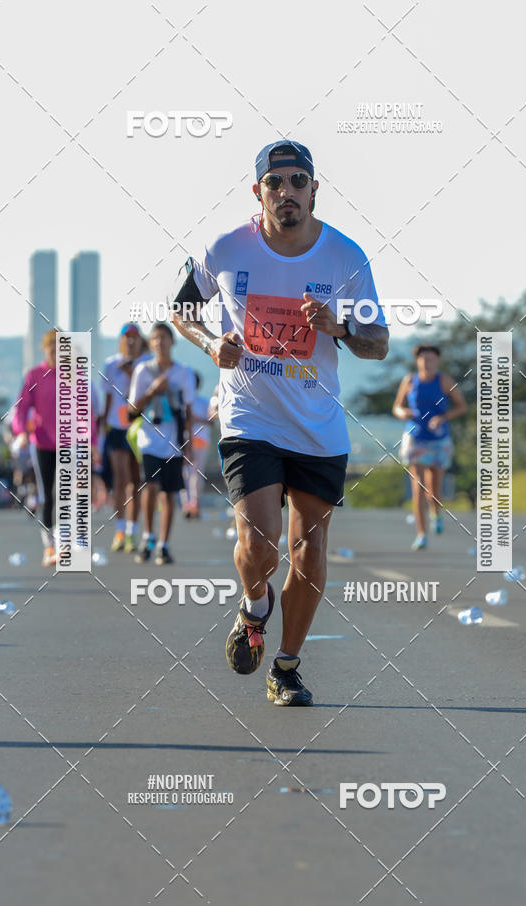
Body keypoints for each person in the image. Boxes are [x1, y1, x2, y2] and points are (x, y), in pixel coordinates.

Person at [172, 139, 388, 707]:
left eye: (298, 182)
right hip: (250, 415)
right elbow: (181, 310)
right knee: (260, 542)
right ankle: (253, 606)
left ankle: (286, 667)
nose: (286, 192)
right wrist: (209, 343)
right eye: (276, 183)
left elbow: (378, 343)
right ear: (258, 192)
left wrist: (339, 327)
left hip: (316, 423)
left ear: (315, 189)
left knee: (309, 550)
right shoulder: (224, 247)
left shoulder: (345, 257)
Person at [12, 329, 98, 566]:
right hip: (41, 443)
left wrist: (89, 441)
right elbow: (21, 408)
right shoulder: (34, 376)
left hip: (69, 443)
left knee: (67, 493)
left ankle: (64, 544)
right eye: (52, 346)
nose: (56, 351)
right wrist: (21, 432)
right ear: (46, 348)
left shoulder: (75, 376)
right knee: (47, 494)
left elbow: (85, 413)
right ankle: (49, 546)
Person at [128, 322, 194, 565]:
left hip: (174, 441)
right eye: (155, 338)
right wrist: (152, 390)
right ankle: (148, 535)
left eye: (164, 338)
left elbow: (187, 410)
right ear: (151, 343)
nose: (159, 342)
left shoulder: (183, 372)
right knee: (151, 486)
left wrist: (188, 445)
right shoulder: (143, 371)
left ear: (172, 341)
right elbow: (132, 409)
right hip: (149, 439)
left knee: (169, 494)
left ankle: (163, 544)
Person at [393, 345, 467, 550]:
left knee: (434, 488)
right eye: (423, 359)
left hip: (438, 439)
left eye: (431, 359)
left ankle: (436, 512)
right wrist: (404, 413)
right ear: (417, 361)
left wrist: (442, 418)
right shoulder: (409, 380)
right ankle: (421, 534)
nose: (427, 362)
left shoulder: (444, 381)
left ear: (438, 361)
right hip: (415, 437)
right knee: (418, 486)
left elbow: (462, 406)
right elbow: (397, 407)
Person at [100, 323, 150, 553]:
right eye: (126, 337)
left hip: (139, 425)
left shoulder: (147, 363)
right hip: (116, 426)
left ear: (140, 340)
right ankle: (120, 528)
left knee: (135, 481)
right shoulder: (111, 365)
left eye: (134, 337)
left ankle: (131, 530)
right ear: (121, 340)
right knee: (119, 478)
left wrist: (132, 375)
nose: (131, 341)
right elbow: (108, 397)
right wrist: (102, 426)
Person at [180, 372, 212, 519]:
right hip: (184, 441)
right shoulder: (182, 401)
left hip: (201, 441)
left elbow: (211, 421)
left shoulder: (204, 402)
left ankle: (195, 504)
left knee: (197, 475)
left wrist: (195, 419)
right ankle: (187, 504)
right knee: (185, 474)